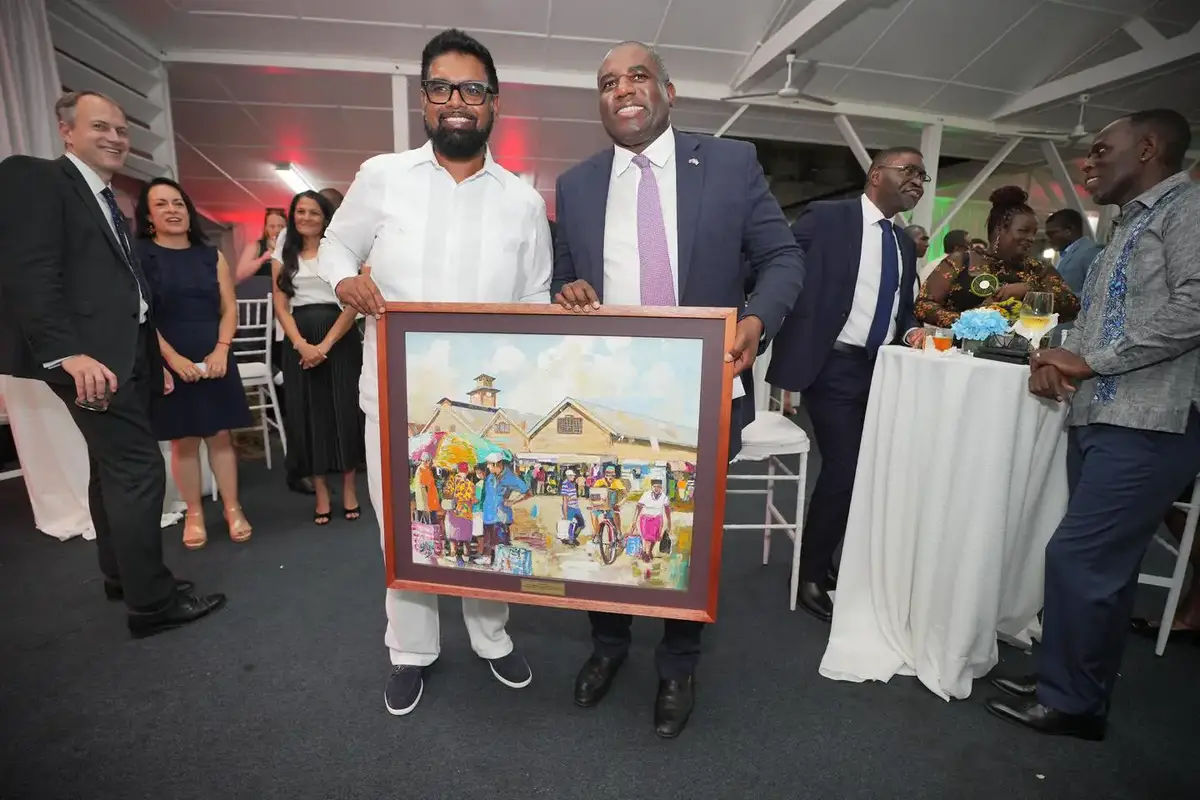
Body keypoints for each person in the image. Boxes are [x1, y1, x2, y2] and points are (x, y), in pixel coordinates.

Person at [552, 41, 804, 738]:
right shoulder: (574, 186)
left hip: (706, 392)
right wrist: (564, 291)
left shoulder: (729, 162)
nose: (622, 89)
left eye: (636, 76)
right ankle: (607, 645)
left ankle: (677, 665)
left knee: (683, 539)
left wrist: (756, 319)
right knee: (607, 522)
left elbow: (782, 257)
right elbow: (562, 281)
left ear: (668, 90)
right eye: (607, 82)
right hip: (609, 400)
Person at [318, 28, 549, 717]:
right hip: (391, 398)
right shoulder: (382, 175)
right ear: (425, 100)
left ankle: (491, 638)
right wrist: (341, 284)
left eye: (473, 90)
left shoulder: (524, 201)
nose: (458, 101)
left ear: (494, 105)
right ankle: (410, 651)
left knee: (484, 526)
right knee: (405, 530)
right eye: (443, 87)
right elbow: (335, 244)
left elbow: (535, 299)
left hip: (482, 412)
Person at [988, 109, 1200, 741]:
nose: (1087, 163)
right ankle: (1072, 679)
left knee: (1079, 556)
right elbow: (1093, 317)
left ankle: (1074, 704)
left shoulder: (1184, 211)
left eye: (1102, 150)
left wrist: (1089, 359)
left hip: (1151, 419)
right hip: (1104, 414)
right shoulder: (1127, 225)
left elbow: (1196, 304)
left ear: (1149, 149)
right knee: (1105, 566)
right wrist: (1056, 355)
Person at [0, 90, 225, 637]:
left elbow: (128, 290)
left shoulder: (106, 198)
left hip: (129, 355)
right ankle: (152, 605)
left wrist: (156, 359)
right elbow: (29, 273)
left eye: (122, 130)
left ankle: (122, 576)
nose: (116, 138)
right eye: (100, 126)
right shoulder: (36, 178)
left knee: (110, 468)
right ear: (66, 131)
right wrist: (67, 354)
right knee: (138, 470)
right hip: (89, 360)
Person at [765, 146, 929, 623]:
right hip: (830, 365)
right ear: (877, 174)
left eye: (924, 175)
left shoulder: (901, 241)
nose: (919, 181)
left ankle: (830, 563)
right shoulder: (827, 217)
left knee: (863, 469)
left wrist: (913, 326)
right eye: (910, 171)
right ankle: (810, 575)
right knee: (846, 467)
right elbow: (779, 267)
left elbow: (902, 304)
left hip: (880, 369)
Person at [134, 177, 254, 548]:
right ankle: (195, 513)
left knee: (221, 436)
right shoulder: (139, 256)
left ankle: (233, 508)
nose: (172, 210)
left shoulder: (211, 255)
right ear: (149, 216)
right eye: (162, 204)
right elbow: (141, 314)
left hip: (213, 352)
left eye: (178, 203)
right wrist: (170, 359)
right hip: (168, 354)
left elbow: (229, 307)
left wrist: (221, 349)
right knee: (184, 442)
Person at [272, 190, 364, 524]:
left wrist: (324, 346)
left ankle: (350, 488)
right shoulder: (285, 251)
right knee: (306, 416)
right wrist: (300, 343)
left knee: (344, 413)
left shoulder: (341, 252)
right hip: (298, 340)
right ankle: (322, 492)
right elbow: (280, 303)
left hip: (339, 338)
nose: (306, 217)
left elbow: (354, 303)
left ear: (326, 217)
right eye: (300, 212)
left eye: (314, 212)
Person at [915, 186, 1079, 327]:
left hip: (1018, 359)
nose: (1031, 238)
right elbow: (923, 305)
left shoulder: (1039, 269)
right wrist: (970, 322)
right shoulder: (961, 261)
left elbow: (1071, 307)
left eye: (1034, 233)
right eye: (1024, 231)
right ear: (1000, 230)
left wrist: (1029, 290)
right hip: (960, 354)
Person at [1045, 208, 1105, 295]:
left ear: (1068, 231)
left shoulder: (1090, 252)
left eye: (1052, 233)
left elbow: (1097, 292)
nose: (1049, 239)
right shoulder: (1064, 254)